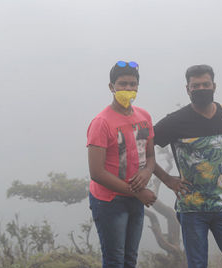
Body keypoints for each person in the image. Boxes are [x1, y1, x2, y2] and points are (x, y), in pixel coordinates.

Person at [153, 64, 222, 268]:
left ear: (214, 86)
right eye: (196, 85)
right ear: (187, 89)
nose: (201, 89)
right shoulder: (176, 121)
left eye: (205, 84)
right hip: (192, 210)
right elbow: (144, 143)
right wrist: (167, 179)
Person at [86, 61, 157, 268]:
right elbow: (96, 172)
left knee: (129, 259)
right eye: (122, 84)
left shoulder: (144, 117)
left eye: (132, 84)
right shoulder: (101, 122)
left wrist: (146, 172)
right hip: (109, 200)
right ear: (111, 87)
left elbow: (150, 156)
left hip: (135, 197)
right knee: (115, 260)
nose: (127, 89)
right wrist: (138, 192)